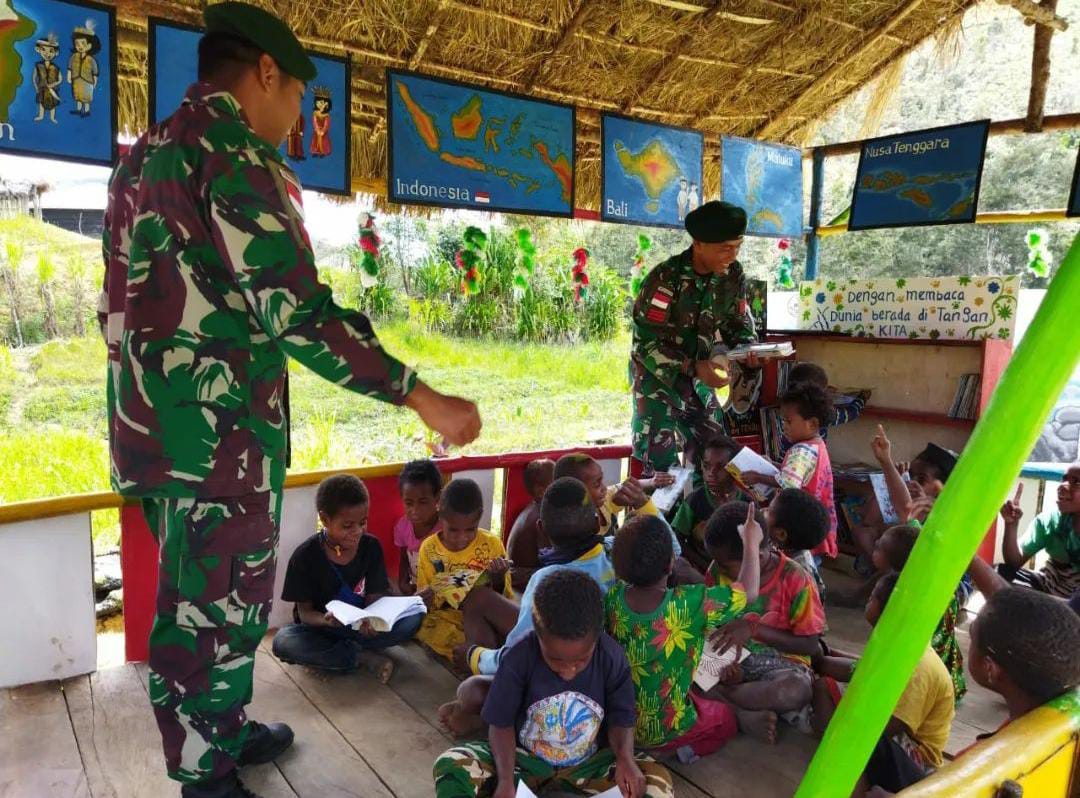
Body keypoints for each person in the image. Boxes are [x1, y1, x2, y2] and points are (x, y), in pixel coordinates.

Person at [100, 5, 481, 795]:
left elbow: (115, 310)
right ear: (266, 73)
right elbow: (296, 311)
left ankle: (223, 732)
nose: (298, 117)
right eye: (300, 97)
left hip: (151, 431)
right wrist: (419, 394)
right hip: (220, 439)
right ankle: (205, 774)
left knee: (192, 604)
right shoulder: (238, 154)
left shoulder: (138, 162)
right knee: (218, 614)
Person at [433, 570, 675, 798]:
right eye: (555, 659)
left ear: (597, 636)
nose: (568, 671)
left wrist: (625, 759)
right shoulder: (518, 658)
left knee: (656, 779)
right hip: (524, 761)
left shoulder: (612, 657)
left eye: (581, 660)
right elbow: (501, 724)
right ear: (538, 635)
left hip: (589, 764)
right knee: (451, 763)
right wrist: (506, 780)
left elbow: (622, 718)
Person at [442, 477, 613, 734]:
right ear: (597, 521)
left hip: (556, 681)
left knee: (473, 692)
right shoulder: (611, 554)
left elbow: (518, 653)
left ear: (541, 529)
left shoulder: (546, 579)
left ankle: (491, 712)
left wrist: (474, 656)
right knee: (478, 597)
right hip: (593, 667)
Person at [605, 513, 773, 760]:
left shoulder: (612, 599)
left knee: (690, 687)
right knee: (724, 720)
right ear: (671, 564)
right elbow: (748, 592)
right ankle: (674, 751)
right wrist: (751, 541)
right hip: (665, 729)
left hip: (617, 722)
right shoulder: (689, 603)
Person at [629, 200, 757, 475]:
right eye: (725, 248)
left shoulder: (732, 275)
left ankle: (703, 516)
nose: (733, 255)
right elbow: (645, 344)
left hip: (698, 381)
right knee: (659, 471)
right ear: (698, 243)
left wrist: (749, 351)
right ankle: (655, 519)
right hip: (657, 382)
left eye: (738, 246)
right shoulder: (665, 279)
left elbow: (739, 323)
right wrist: (691, 367)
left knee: (716, 453)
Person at [811, 573, 955, 796]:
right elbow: (860, 668)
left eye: (872, 597)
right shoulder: (896, 641)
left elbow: (896, 724)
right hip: (890, 726)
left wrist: (852, 715)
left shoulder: (919, 664)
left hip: (915, 756)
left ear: (889, 611)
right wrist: (823, 657)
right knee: (824, 687)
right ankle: (833, 749)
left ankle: (844, 764)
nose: (868, 601)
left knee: (853, 732)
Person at [271, 474, 419, 682]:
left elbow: (375, 597)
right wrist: (326, 620)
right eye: (348, 525)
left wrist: (372, 620)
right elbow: (305, 614)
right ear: (325, 519)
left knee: (413, 618)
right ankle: (360, 657)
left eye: (363, 522)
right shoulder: (305, 556)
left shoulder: (371, 547)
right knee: (283, 641)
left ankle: (339, 656)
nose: (357, 531)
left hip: (361, 629)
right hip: (323, 629)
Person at [704, 499, 827, 728]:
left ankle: (726, 702)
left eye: (725, 565)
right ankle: (742, 710)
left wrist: (752, 629)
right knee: (680, 663)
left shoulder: (796, 578)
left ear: (757, 557)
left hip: (781, 663)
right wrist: (725, 660)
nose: (717, 568)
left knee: (794, 690)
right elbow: (712, 623)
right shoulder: (717, 570)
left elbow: (810, 645)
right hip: (729, 658)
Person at [416, 478, 512, 662]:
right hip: (449, 618)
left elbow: (503, 598)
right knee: (439, 632)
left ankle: (480, 658)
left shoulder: (492, 544)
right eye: (453, 530)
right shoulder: (429, 549)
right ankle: (482, 658)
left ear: (479, 517)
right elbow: (428, 603)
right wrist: (425, 598)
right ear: (440, 516)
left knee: (502, 628)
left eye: (471, 530)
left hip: (484, 614)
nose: (462, 538)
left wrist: (498, 577)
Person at [870, 523, 967, 703]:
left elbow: (888, 663)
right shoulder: (931, 585)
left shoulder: (902, 598)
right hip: (951, 679)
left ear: (895, 562)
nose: (875, 544)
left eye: (879, 547)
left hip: (925, 686)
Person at [742, 383, 838, 562]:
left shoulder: (800, 451)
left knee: (797, 567)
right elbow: (800, 474)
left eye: (788, 421)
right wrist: (777, 466)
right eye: (782, 421)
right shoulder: (817, 446)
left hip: (797, 526)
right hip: (813, 525)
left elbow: (789, 483)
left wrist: (757, 477)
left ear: (812, 423)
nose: (783, 426)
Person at [998, 463, 1080, 599]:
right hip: (1047, 589)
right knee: (1000, 573)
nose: (1062, 486)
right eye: (1064, 479)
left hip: (1075, 604)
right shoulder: (1050, 521)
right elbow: (1014, 562)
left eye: (1076, 482)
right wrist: (1011, 525)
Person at [670, 435, 743, 573]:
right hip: (702, 574)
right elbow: (677, 539)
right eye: (706, 466)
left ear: (735, 468)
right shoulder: (694, 501)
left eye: (720, 467)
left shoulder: (747, 502)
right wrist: (703, 566)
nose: (711, 473)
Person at [777, 361, 869, 458]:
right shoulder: (823, 414)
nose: (784, 426)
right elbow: (851, 413)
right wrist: (862, 399)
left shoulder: (788, 411)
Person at [394, 459, 444, 596]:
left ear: (437, 498)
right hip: (415, 590)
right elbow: (404, 556)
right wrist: (402, 582)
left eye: (423, 502)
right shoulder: (402, 526)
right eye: (409, 503)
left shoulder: (446, 528)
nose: (414, 510)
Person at [506, 458, 556, 592]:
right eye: (557, 483)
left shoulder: (533, 509)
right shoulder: (541, 516)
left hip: (519, 572)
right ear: (541, 491)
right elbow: (549, 557)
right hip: (523, 578)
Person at [67, 20, 100, 116]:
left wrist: (95, 82)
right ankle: (78, 109)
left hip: (87, 81)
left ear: (89, 46)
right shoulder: (74, 57)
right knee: (77, 95)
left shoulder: (91, 60)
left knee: (86, 97)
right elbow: (70, 67)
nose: (80, 47)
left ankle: (86, 111)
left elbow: (95, 72)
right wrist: (69, 76)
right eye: (77, 44)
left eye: (83, 44)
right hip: (76, 79)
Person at [32, 33, 62, 123]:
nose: (47, 53)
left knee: (53, 104)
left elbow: (60, 79)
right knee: (41, 102)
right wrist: (36, 87)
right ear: (38, 50)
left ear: (56, 53)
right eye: (43, 50)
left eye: (51, 51)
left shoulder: (56, 67)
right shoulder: (38, 65)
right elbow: (34, 77)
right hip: (41, 88)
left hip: (52, 89)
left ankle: (52, 117)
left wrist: (54, 84)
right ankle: (41, 116)